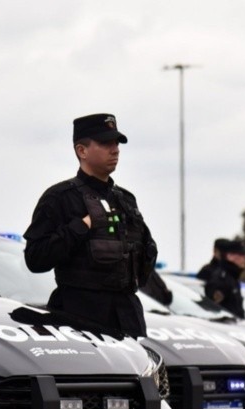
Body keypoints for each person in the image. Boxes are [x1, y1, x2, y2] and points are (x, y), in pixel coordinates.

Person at [23, 113, 157, 337]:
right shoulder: (60, 197)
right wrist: (80, 227)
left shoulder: (125, 200)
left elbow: (145, 255)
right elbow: (35, 258)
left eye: (116, 143)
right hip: (80, 318)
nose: (115, 150)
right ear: (81, 150)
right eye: (105, 143)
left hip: (128, 317)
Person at [203, 240, 245, 319]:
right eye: (241, 255)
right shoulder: (221, 279)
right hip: (225, 327)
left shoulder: (232, 278)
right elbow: (215, 310)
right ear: (230, 256)